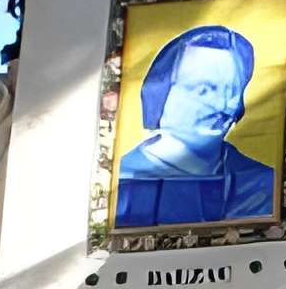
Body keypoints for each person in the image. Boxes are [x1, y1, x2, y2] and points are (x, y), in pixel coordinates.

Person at [114, 24, 275, 228]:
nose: (221, 105)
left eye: (232, 91)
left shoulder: (261, 181)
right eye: (204, 89)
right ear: (161, 93)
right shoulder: (122, 180)